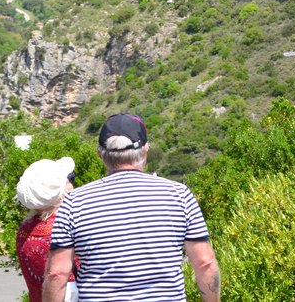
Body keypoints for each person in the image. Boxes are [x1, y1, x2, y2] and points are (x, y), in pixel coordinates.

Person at [43, 113, 220, 302]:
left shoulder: (74, 202)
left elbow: (56, 273)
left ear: (100, 154)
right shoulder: (179, 195)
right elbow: (205, 263)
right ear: (145, 150)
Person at [15, 157, 78, 302]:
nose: (72, 182)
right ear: (61, 191)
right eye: (70, 178)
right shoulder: (68, 229)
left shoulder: (24, 232)